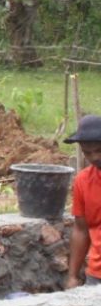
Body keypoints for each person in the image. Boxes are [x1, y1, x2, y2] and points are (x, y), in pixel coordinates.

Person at [66, 115, 101, 288]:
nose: (94, 157)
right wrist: (72, 276)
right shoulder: (82, 181)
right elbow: (81, 230)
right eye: (88, 152)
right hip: (96, 274)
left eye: (99, 150)